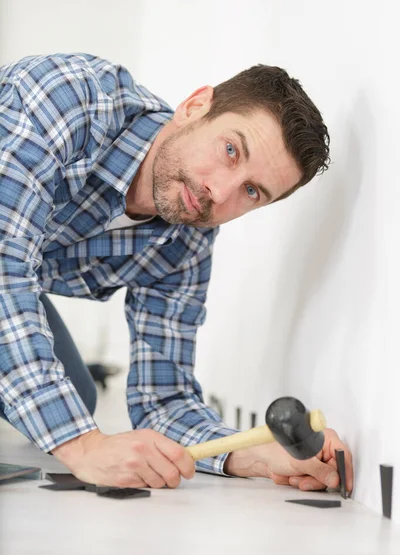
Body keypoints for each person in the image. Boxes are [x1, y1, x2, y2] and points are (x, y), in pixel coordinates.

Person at [0, 53, 353, 493]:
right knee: (62, 422)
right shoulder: (65, 99)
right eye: (230, 150)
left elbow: (163, 400)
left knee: (75, 397)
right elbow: (5, 268)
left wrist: (255, 453)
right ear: (194, 107)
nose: (219, 193)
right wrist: (82, 446)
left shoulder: (187, 241)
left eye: (250, 190)